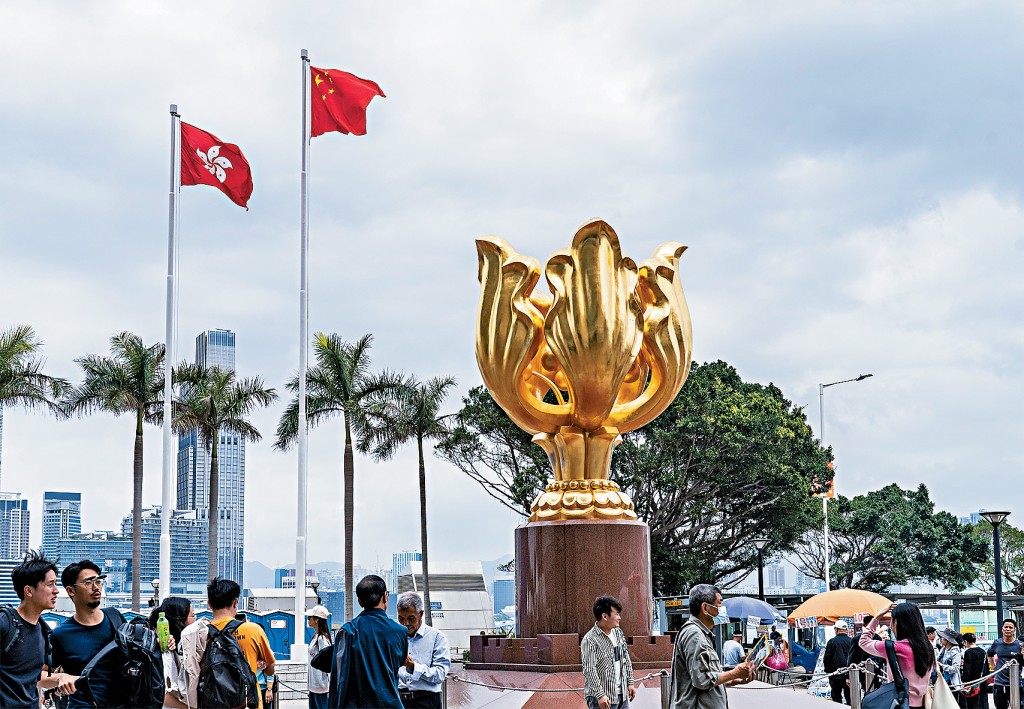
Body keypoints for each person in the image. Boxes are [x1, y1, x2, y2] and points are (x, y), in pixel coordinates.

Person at [0, 550, 77, 708]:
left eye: (56, 584)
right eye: (50, 584)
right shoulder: (5, 623)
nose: (56, 590)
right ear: (28, 591)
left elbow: (33, 678)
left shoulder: (43, 630)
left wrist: (60, 678)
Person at [320, 575, 408, 708]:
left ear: (360, 602)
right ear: (385, 597)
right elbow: (400, 661)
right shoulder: (400, 631)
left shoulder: (348, 631)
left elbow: (338, 678)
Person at [50, 560, 126, 709]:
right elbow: (40, 674)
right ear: (71, 591)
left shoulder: (115, 617)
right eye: (88, 582)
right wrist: (60, 678)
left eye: (98, 581)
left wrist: (166, 641)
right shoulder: (60, 635)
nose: (96, 587)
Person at [669, 584, 754, 709]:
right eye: (719, 603)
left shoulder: (702, 633)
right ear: (705, 608)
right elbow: (702, 680)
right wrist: (735, 673)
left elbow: (709, 677)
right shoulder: (694, 634)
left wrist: (735, 680)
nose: (722, 608)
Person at [201, 578, 276, 709]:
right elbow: (270, 670)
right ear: (236, 602)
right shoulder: (253, 630)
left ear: (209, 604)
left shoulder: (201, 633)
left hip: (212, 703)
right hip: (247, 703)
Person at [858, 602, 934, 709]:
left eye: (892, 621)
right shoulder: (928, 647)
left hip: (900, 703)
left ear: (897, 622)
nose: (890, 625)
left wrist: (878, 616)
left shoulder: (893, 647)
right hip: (923, 704)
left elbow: (863, 642)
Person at [396, 592, 451, 708]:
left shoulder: (437, 637)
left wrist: (413, 666)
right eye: (401, 618)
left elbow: (440, 674)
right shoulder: (393, 637)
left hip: (427, 701)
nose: (406, 623)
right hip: (398, 701)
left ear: (420, 614)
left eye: (411, 618)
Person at [581, 595, 635, 709]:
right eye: (616, 614)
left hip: (621, 696)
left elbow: (625, 658)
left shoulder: (618, 633)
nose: (619, 617)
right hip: (602, 698)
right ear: (605, 616)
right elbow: (589, 670)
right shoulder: (590, 640)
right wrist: (600, 695)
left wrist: (630, 682)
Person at [148, 596, 195, 709]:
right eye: (192, 615)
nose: (195, 620)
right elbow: (163, 696)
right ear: (180, 619)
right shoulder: (165, 651)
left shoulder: (175, 647)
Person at [987, 618, 1022, 709]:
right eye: (1006, 627)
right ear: (1002, 629)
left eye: (1010, 627)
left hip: (1016, 684)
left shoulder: (1020, 645)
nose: (1008, 629)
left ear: (1014, 630)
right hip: (999, 684)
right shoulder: (997, 643)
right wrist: (994, 667)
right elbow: (989, 655)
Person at [307, 605, 332, 709]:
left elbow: (327, 660)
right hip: (313, 686)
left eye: (310, 618)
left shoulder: (322, 639)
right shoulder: (315, 637)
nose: (308, 620)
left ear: (316, 619)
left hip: (321, 686)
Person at [824, 620, 853, 704]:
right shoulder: (851, 641)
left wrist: (828, 671)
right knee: (849, 698)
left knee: (836, 697)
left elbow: (827, 658)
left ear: (836, 629)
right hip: (849, 674)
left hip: (835, 674)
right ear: (846, 630)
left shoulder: (831, 642)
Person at [960, 632, 987, 709]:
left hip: (972, 683)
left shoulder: (968, 652)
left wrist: (966, 682)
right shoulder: (983, 651)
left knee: (972, 703)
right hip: (982, 681)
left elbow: (967, 669)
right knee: (983, 702)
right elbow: (986, 668)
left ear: (965, 641)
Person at [936, 628, 963, 695]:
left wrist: (942, 665)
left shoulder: (955, 652)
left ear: (947, 640)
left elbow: (955, 668)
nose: (941, 639)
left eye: (942, 638)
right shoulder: (943, 650)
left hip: (952, 683)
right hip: (942, 681)